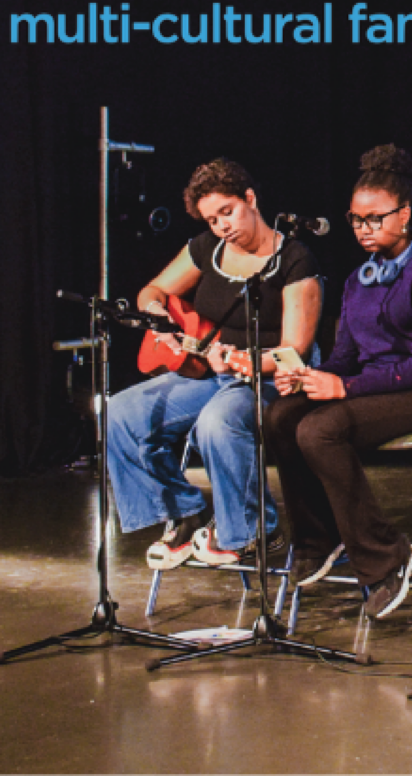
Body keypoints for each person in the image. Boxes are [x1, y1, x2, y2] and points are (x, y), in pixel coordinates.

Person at [264, 145, 412, 621]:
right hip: (381, 388)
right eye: (356, 220)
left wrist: (344, 388)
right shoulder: (360, 278)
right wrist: (309, 377)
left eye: (374, 219)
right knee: (281, 417)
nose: (363, 229)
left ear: (405, 215)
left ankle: (385, 557)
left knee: (320, 430)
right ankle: (318, 540)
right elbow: (343, 356)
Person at [107, 159, 322, 571]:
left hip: (273, 380)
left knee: (217, 422)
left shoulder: (295, 260)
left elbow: (294, 352)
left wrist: (245, 361)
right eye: (212, 219)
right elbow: (150, 290)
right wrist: (160, 317)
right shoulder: (207, 248)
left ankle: (252, 530)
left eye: (228, 211)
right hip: (211, 374)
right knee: (121, 413)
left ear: (250, 199)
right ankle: (184, 514)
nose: (222, 225)